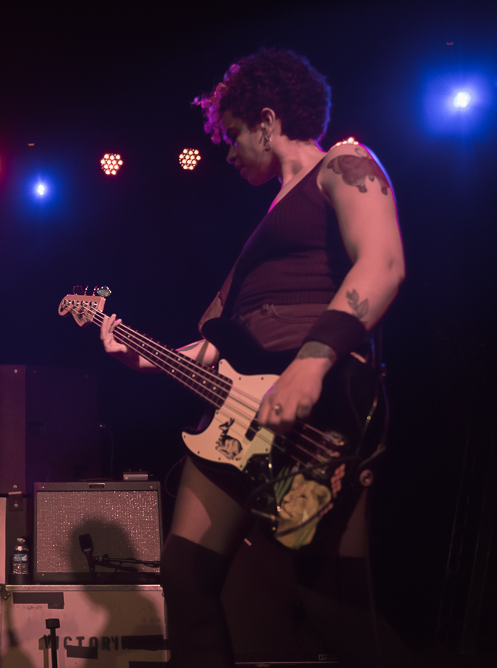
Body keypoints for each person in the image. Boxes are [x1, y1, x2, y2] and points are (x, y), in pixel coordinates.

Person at [100, 50, 407, 667]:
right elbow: (224, 344)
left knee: (330, 604)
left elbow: (384, 263)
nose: (229, 152)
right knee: (185, 581)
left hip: (319, 405)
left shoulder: (344, 163)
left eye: (234, 135)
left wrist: (309, 365)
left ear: (268, 121)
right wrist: (149, 358)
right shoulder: (267, 219)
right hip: (242, 419)